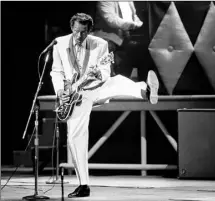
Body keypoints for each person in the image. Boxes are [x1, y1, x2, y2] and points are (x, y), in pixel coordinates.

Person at [50, 13, 159, 198]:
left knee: (115, 82)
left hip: (94, 88)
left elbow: (105, 71)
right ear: (71, 28)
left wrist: (96, 74)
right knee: (75, 138)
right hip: (73, 96)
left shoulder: (100, 45)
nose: (79, 36)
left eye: (83, 32)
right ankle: (83, 185)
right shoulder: (59, 43)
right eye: (76, 31)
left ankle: (145, 91)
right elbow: (56, 71)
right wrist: (61, 92)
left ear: (89, 31)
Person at [93, 1, 144, 77]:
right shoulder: (104, 1)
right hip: (107, 37)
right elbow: (111, 20)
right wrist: (132, 25)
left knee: (142, 49)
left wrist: (139, 22)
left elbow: (133, 16)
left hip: (124, 37)